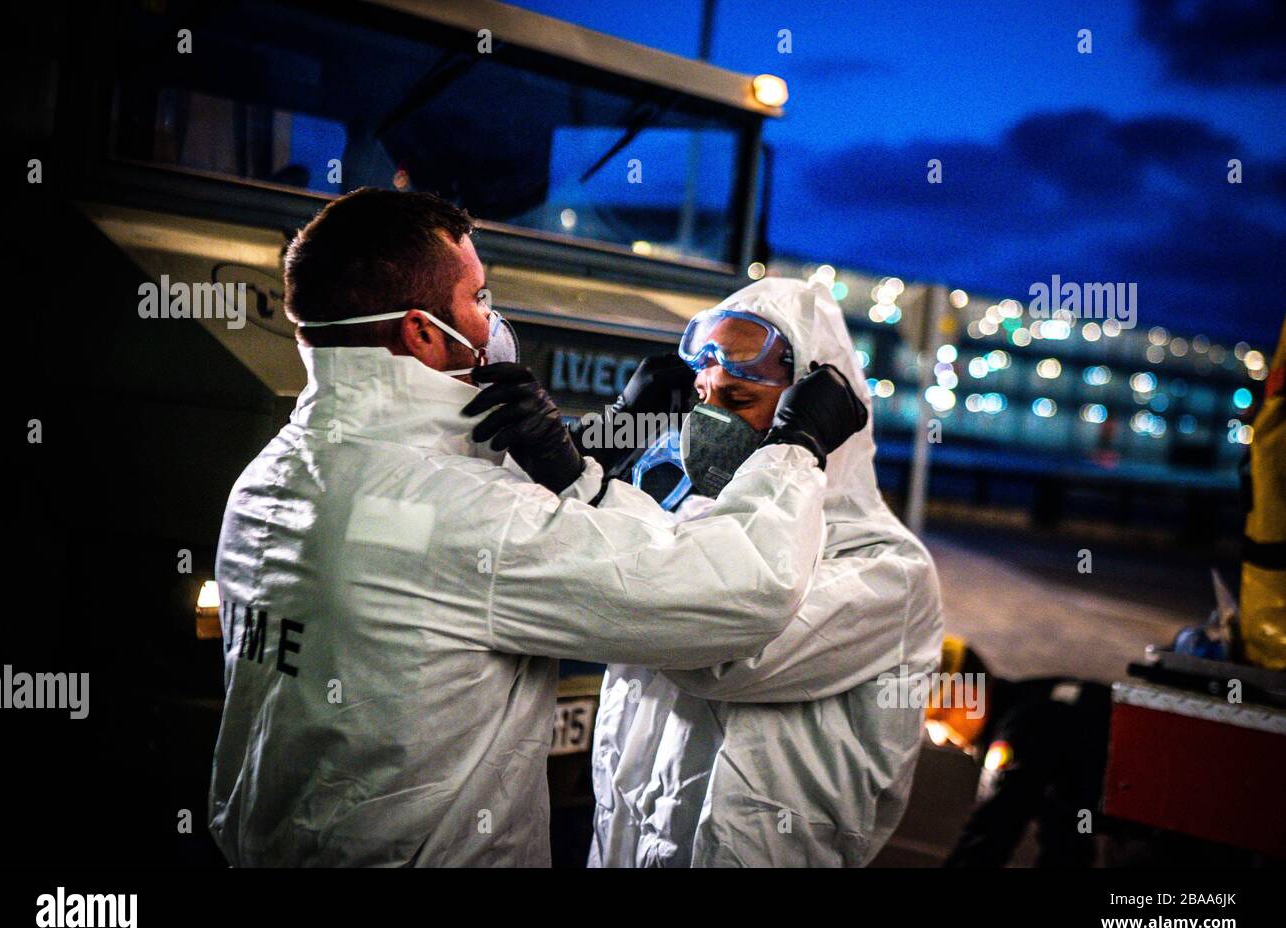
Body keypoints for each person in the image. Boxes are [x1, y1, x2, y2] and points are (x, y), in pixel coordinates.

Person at [208, 188, 867, 867]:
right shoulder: (463, 515)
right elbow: (741, 587)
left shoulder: (270, 477)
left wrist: (594, 446)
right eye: (481, 298)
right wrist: (798, 449)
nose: (493, 320)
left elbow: (435, 535)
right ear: (422, 332)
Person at [587, 277, 944, 867]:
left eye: (737, 402)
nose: (707, 424)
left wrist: (794, 452)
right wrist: (607, 436)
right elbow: (559, 561)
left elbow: (711, 644)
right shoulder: (680, 520)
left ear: (818, 414)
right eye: (703, 399)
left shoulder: (890, 574)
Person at [926, 637, 1111, 867]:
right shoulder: (1037, 700)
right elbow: (1069, 833)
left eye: (939, 719)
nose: (939, 738)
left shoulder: (1019, 735)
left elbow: (988, 837)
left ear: (966, 695)